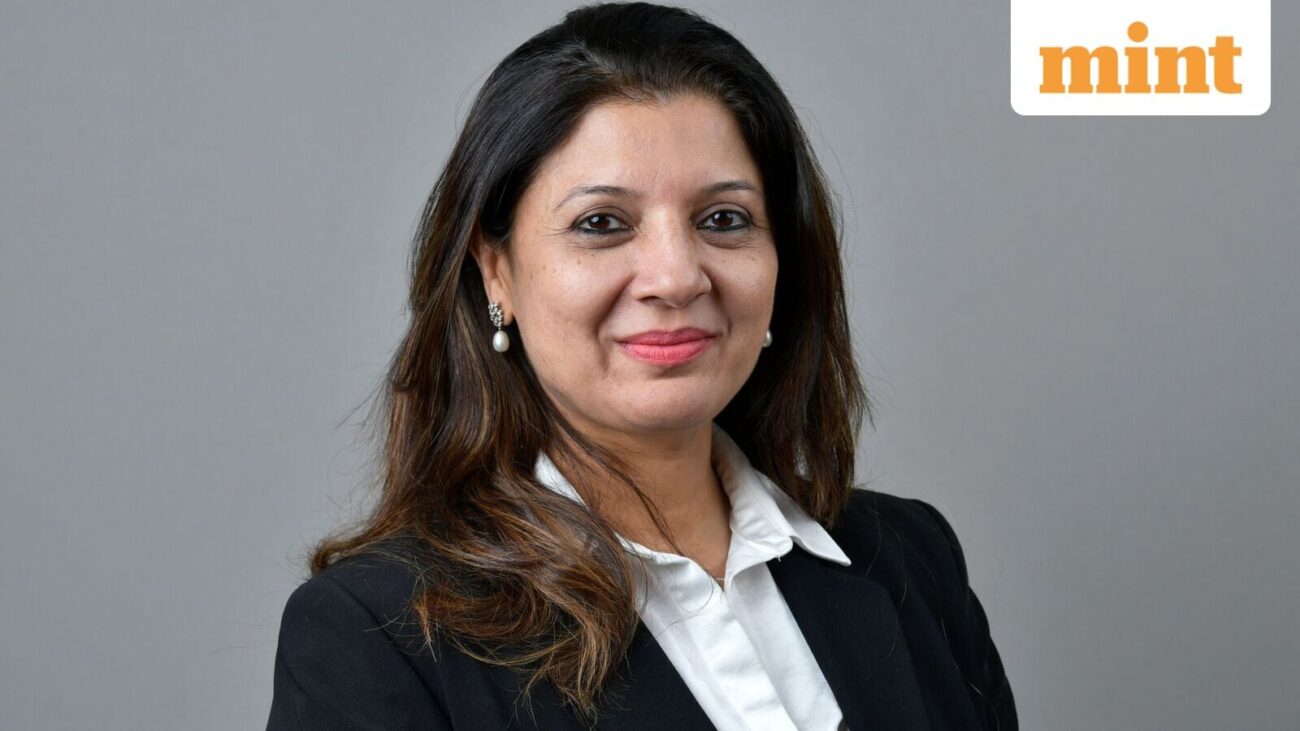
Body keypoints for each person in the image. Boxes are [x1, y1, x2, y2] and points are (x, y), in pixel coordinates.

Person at [266, 3, 1017, 729]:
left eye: (723, 219)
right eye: (602, 223)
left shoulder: (910, 559)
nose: (676, 277)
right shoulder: (380, 638)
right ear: (496, 273)